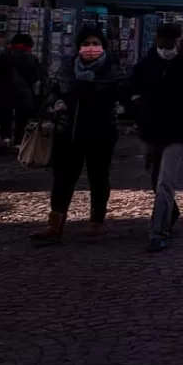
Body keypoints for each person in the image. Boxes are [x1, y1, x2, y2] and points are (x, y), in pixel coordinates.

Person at [31, 25, 126, 243]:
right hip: (69, 133)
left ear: (102, 47)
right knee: (62, 178)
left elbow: (122, 95)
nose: (90, 48)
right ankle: (55, 225)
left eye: (95, 44)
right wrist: (58, 103)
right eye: (85, 44)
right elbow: (54, 92)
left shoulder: (112, 70)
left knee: (98, 177)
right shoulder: (67, 68)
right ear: (78, 47)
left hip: (100, 133)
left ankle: (97, 222)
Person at [128, 23, 183, 254]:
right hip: (150, 131)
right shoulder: (146, 65)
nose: (167, 48)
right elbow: (129, 90)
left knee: (165, 182)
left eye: (171, 43)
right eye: (163, 43)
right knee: (155, 179)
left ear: (179, 42)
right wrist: (138, 110)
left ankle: (158, 233)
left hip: (177, 132)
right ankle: (170, 213)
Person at [0, 33, 41, 155]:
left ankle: (5, 139)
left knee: (5, 116)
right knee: (21, 118)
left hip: (4, 91)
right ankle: (18, 143)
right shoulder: (31, 58)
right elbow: (35, 77)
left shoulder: (2, 56)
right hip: (24, 93)